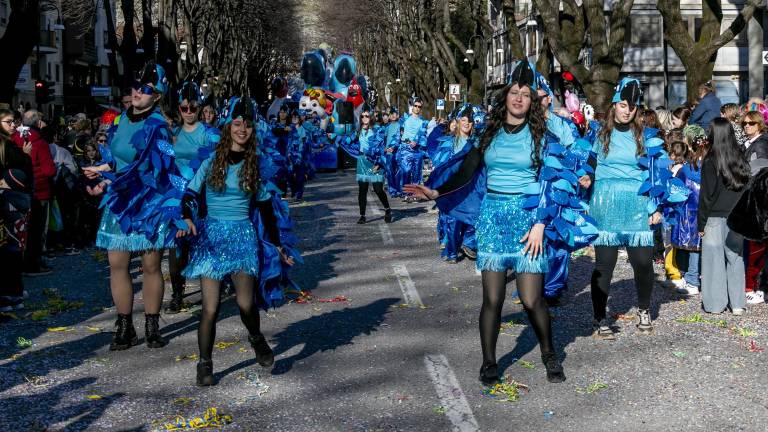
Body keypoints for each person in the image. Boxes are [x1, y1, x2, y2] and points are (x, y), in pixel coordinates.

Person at [405, 61, 597, 385]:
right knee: (492, 299)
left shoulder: (542, 136)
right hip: (493, 216)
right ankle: (489, 362)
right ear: (505, 95)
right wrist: (436, 190)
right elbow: (466, 172)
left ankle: (549, 352)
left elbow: (555, 178)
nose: (519, 98)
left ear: (531, 100)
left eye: (525, 94)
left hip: (528, 220)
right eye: (514, 92)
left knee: (531, 298)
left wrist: (540, 223)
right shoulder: (488, 134)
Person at [178, 97, 299, 386]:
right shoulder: (211, 161)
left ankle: (256, 339)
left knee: (245, 304)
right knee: (210, 308)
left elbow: (268, 210)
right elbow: (189, 194)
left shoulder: (254, 165)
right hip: (212, 239)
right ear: (227, 127)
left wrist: (278, 246)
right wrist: (186, 216)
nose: (241, 129)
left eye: (247, 125)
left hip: (243, 237)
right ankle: (204, 365)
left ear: (252, 130)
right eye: (236, 124)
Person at [84, 61, 180, 351]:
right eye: (137, 86)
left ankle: (152, 324)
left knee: (150, 265)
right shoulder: (120, 120)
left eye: (147, 89)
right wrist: (101, 168)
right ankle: (124, 325)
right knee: (117, 264)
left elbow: (163, 165)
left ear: (158, 95)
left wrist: (109, 178)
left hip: (149, 202)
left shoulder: (159, 127)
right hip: (120, 199)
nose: (138, 92)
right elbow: (119, 158)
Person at [579, 78, 683, 339]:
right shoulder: (599, 133)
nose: (627, 110)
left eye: (632, 106)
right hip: (606, 203)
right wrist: (587, 177)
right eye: (623, 105)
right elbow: (588, 163)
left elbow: (659, 172)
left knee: (643, 263)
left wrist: (657, 205)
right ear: (615, 104)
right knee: (605, 264)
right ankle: (600, 317)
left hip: (638, 205)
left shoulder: (646, 136)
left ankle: (644, 309)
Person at [165, 79, 221, 314]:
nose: (188, 112)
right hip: (177, 195)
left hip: (204, 196)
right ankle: (178, 293)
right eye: (184, 108)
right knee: (177, 245)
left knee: (205, 242)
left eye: (193, 108)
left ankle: (214, 287)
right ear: (178, 108)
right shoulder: (172, 133)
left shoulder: (209, 134)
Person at [698, 118, 749, 314]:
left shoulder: (711, 160)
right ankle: (737, 303)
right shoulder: (740, 157)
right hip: (736, 215)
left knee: (713, 260)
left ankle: (715, 304)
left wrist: (700, 223)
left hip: (714, 216)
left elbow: (706, 195)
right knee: (735, 257)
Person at [424, 105, 480, 263]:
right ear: (457, 121)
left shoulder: (477, 143)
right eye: (463, 120)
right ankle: (452, 250)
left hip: (471, 188)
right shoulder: (448, 143)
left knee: (473, 217)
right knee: (452, 220)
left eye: (470, 121)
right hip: (452, 188)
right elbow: (441, 165)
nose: (467, 124)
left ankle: (468, 244)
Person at [12, 110, 56, 276]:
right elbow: (49, 170)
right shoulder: (40, 142)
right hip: (39, 191)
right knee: (37, 231)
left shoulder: (13, 139)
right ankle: (33, 264)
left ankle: (23, 263)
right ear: (38, 124)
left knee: (23, 230)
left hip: (19, 190)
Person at [337, 106, 392, 224]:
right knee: (362, 189)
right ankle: (362, 215)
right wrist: (339, 138)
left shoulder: (377, 129)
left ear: (371, 117)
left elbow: (381, 148)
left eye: (367, 116)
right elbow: (349, 141)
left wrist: (379, 164)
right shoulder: (358, 130)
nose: (364, 118)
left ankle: (387, 209)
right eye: (362, 116)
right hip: (362, 162)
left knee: (378, 189)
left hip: (375, 162)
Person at [670, 137, 705, 297]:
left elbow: (676, 191)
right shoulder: (712, 167)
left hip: (687, 212)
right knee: (700, 248)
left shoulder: (686, 170)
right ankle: (696, 278)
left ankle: (691, 280)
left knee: (689, 248)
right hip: (705, 211)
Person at [739, 110, 768, 304]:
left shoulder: (762, 145)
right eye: (744, 124)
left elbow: (760, 175)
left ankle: (755, 287)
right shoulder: (748, 144)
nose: (747, 126)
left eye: (751, 123)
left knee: (757, 247)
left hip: (758, 203)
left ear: (759, 125)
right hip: (748, 200)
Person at [0, 168, 31, 311]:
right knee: (15, 269)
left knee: (5, 270)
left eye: (3, 180)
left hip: (5, 240)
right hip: (19, 241)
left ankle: (5, 299)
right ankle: (17, 296)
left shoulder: (5, 198)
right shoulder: (23, 198)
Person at [396, 98, 429, 202]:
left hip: (417, 150)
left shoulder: (422, 122)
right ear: (412, 106)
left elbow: (423, 136)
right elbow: (398, 133)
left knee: (416, 173)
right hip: (405, 149)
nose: (417, 108)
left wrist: (417, 142)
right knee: (406, 170)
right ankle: (406, 192)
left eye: (419, 107)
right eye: (416, 106)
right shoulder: (405, 119)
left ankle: (414, 194)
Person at [384, 107, 401, 197]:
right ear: (389, 116)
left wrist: (395, 147)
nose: (393, 115)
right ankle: (392, 190)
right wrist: (385, 148)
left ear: (397, 115)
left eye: (395, 114)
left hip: (397, 152)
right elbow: (383, 139)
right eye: (391, 114)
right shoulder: (387, 127)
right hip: (389, 153)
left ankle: (398, 190)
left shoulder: (400, 125)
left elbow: (400, 139)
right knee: (390, 172)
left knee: (398, 172)